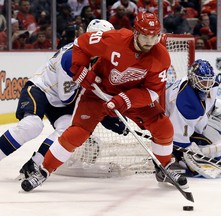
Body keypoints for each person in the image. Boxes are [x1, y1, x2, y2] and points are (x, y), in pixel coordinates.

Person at [20, 12, 189, 192]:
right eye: (145, 36)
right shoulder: (115, 39)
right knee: (77, 132)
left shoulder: (161, 56)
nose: (149, 41)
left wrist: (125, 100)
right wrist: (80, 68)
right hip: (98, 92)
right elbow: (81, 43)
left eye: (154, 36)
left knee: (163, 127)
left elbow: (153, 91)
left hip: (132, 96)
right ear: (135, 32)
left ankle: (164, 168)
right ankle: (44, 170)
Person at [0, 19, 121, 179]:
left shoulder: (97, 59)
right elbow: (67, 98)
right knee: (32, 125)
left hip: (60, 98)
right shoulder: (72, 57)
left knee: (67, 129)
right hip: (41, 89)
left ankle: (34, 165)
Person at [165, 59, 221, 178]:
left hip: (184, 122)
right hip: (170, 127)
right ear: (193, 79)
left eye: (209, 82)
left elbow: (208, 102)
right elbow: (177, 136)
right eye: (204, 82)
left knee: (216, 129)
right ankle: (174, 158)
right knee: (208, 146)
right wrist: (189, 156)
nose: (207, 86)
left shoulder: (202, 84)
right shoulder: (186, 101)